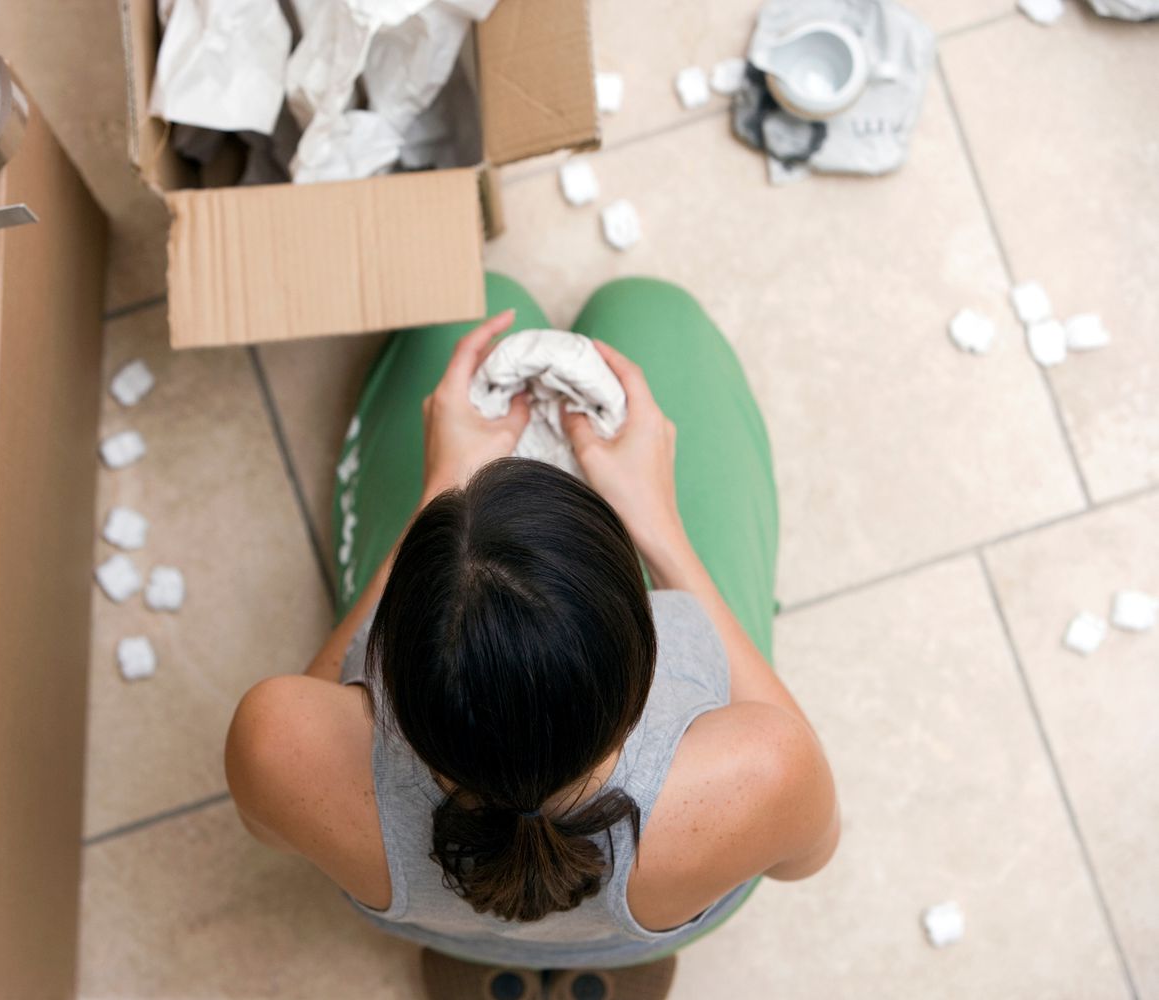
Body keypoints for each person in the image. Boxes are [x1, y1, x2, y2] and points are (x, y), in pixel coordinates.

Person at [226, 274, 839, 1000]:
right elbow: (809, 855)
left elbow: (278, 821)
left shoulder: (272, 737)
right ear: (649, 651)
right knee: (648, 310)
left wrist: (438, 484)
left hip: (432, 920)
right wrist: (660, 528)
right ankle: (614, 963)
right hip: (655, 913)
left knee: (471, 294)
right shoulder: (764, 772)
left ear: (389, 667)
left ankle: (482, 961)